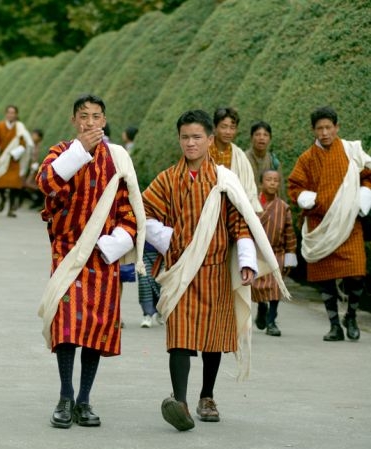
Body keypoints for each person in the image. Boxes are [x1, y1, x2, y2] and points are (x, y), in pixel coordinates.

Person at [142, 109, 286, 432]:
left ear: (209, 140)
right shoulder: (167, 179)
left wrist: (247, 262)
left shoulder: (224, 180)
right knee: (179, 334)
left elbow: (240, 223)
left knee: (212, 336)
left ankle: (207, 396)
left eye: (196, 137)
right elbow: (145, 212)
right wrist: (168, 239)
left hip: (216, 268)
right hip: (181, 267)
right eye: (184, 137)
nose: (190, 143)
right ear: (178, 139)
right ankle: (179, 402)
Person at [36, 94, 144, 429]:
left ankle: (84, 399)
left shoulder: (118, 159)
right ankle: (65, 396)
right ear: (74, 121)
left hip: (103, 256)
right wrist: (78, 153)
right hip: (68, 252)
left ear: (104, 120)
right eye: (83, 116)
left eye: (96, 116)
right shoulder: (61, 152)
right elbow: (46, 183)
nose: (90, 122)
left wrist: (117, 242)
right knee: (67, 324)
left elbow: (131, 211)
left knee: (95, 328)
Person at [288, 106, 371, 342]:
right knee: (325, 279)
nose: (324, 133)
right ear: (313, 131)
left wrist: (364, 195)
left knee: (356, 273)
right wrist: (306, 198)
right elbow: (295, 186)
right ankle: (334, 324)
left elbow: (368, 175)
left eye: (328, 127)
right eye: (319, 128)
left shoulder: (351, 151)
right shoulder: (306, 159)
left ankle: (352, 316)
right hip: (320, 225)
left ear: (337, 128)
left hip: (348, 223)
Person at [252, 169, 297, 336]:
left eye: (275, 180)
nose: (272, 183)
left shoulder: (283, 207)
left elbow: (289, 232)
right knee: (256, 286)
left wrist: (290, 254)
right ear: (261, 183)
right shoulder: (252, 204)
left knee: (275, 286)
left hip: (276, 252)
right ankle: (262, 307)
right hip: (256, 252)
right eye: (268, 180)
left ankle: (272, 321)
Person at [208, 107, 262, 212]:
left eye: (232, 128)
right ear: (214, 128)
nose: (228, 132)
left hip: (233, 210)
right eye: (224, 127)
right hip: (206, 206)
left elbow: (249, 188)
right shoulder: (203, 151)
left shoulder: (239, 156)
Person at [0, 105, 33, 218]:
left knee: (14, 186)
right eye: (9, 112)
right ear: (6, 113)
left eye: (13, 113)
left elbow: (24, 143)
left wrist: (15, 153)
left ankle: (10, 209)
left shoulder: (20, 127)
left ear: (16, 114)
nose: (11, 115)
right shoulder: (0, 126)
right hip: (3, 159)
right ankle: (3, 198)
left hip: (14, 160)